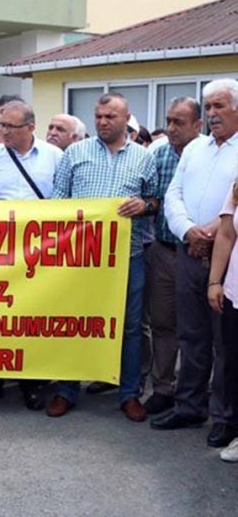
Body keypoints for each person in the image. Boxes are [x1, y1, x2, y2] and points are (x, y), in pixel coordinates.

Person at [48, 92, 158, 422]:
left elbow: (155, 202)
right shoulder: (75, 153)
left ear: (127, 119)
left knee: (129, 327)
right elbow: (57, 203)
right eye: (98, 116)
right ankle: (67, 389)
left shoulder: (143, 157)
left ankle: (129, 393)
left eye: (110, 116)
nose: (102, 121)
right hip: (82, 259)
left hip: (129, 256)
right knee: (75, 322)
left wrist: (145, 206)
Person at [152, 79, 238, 448]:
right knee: (191, 335)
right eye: (208, 107)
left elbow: (231, 208)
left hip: (229, 260)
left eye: (220, 106)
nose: (212, 114)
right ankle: (190, 405)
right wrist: (189, 231)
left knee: (226, 344)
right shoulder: (195, 150)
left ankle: (225, 415)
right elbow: (173, 195)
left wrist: (210, 232)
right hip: (190, 253)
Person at [0, 100, 62, 410]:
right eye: (0, 126)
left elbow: (64, 201)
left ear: (30, 128)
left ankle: (32, 383)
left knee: (31, 319)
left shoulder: (55, 157)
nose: (2, 133)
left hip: (38, 253)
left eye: (9, 127)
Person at [142, 98, 203, 416]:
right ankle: (163, 388)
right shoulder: (158, 154)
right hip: (164, 250)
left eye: (179, 122)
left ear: (198, 125)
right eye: (168, 120)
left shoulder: (211, 155)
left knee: (199, 328)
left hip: (202, 253)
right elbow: (151, 198)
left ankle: (197, 391)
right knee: (164, 323)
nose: (171, 128)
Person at [208, 175, 238, 462]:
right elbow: (227, 234)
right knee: (234, 366)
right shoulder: (237, 185)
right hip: (235, 293)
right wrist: (214, 282)